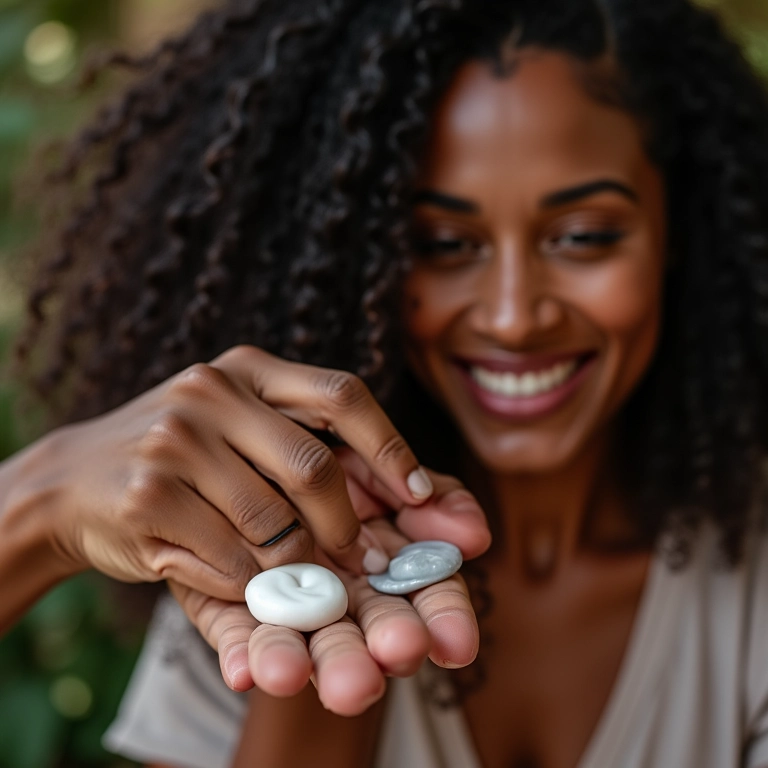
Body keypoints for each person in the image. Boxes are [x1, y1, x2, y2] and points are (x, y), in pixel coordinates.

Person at [8, 0, 768, 766]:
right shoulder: (255, 566)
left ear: (683, 232)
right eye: (442, 243)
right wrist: (38, 502)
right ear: (358, 264)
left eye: (583, 237)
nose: (513, 316)